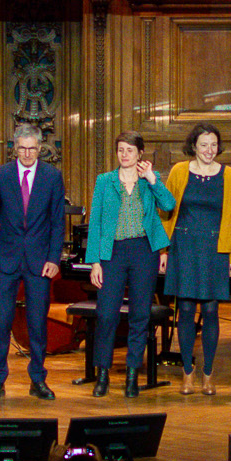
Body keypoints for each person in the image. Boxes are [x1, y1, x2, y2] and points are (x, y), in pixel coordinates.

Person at [83, 132, 176, 397]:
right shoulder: (105, 181)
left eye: (130, 150)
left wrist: (153, 180)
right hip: (112, 252)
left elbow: (169, 205)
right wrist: (95, 262)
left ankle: (132, 375)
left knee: (140, 314)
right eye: (121, 150)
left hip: (143, 251)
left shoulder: (149, 181)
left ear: (140, 154)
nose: (125, 155)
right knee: (106, 314)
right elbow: (96, 222)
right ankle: (102, 373)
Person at [0, 125, 65, 402]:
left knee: (37, 324)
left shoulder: (52, 176)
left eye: (32, 148)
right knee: (1, 323)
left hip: (40, 262)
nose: (27, 154)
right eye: (22, 148)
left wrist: (54, 258)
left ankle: (38, 379)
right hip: (5, 261)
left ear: (40, 148)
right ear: (14, 148)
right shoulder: (1, 175)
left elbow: (58, 222)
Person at [162, 123, 231, 395]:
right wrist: (163, 251)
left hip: (215, 249)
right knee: (185, 310)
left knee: (210, 310)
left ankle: (208, 372)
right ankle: (187, 371)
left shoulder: (228, 174)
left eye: (213, 145)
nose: (209, 150)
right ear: (193, 146)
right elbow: (166, 212)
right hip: (183, 247)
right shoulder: (179, 171)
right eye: (204, 145)